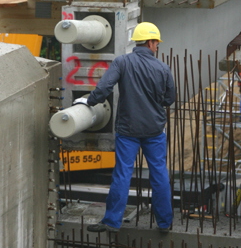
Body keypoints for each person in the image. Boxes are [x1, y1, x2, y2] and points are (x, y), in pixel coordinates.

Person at [73, 22, 176, 233]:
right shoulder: (163, 68)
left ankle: (112, 222)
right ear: (150, 42)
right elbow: (169, 99)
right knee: (159, 174)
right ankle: (164, 223)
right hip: (154, 131)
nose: (157, 46)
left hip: (128, 130)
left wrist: (89, 102)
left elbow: (104, 88)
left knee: (122, 174)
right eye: (156, 42)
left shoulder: (122, 62)